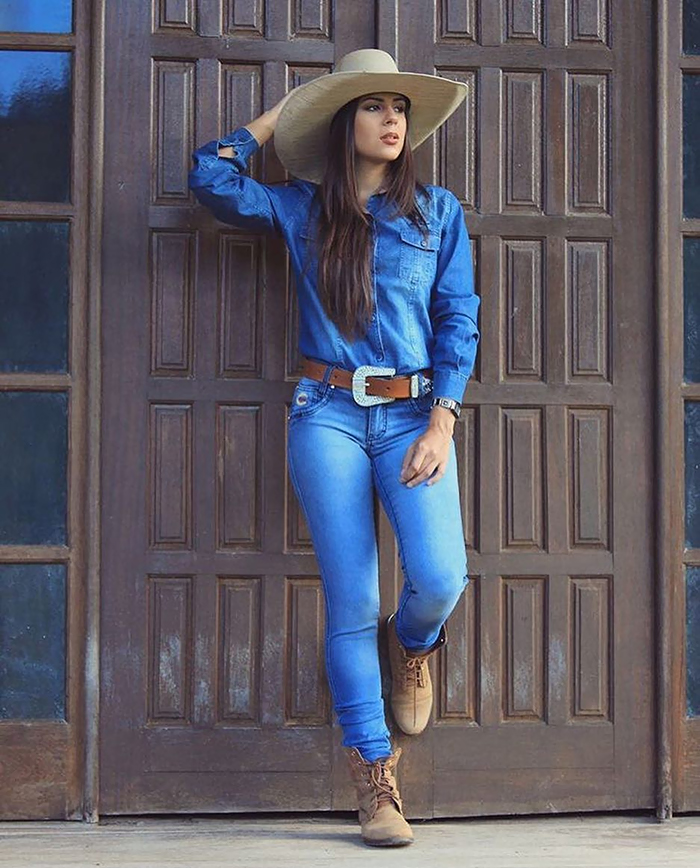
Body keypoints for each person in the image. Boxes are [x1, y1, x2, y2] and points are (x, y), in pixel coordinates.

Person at [188, 48, 480, 848]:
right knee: (350, 600)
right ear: (343, 124)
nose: (392, 120)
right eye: (371, 106)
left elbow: (458, 318)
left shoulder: (439, 214)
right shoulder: (300, 208)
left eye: (399, 109)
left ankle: (414, 643)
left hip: (414, 412)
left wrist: (443, 420)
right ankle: (375, 781)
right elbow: (209, 178)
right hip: (326, 415)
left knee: (440, 575)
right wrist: (282, 118)